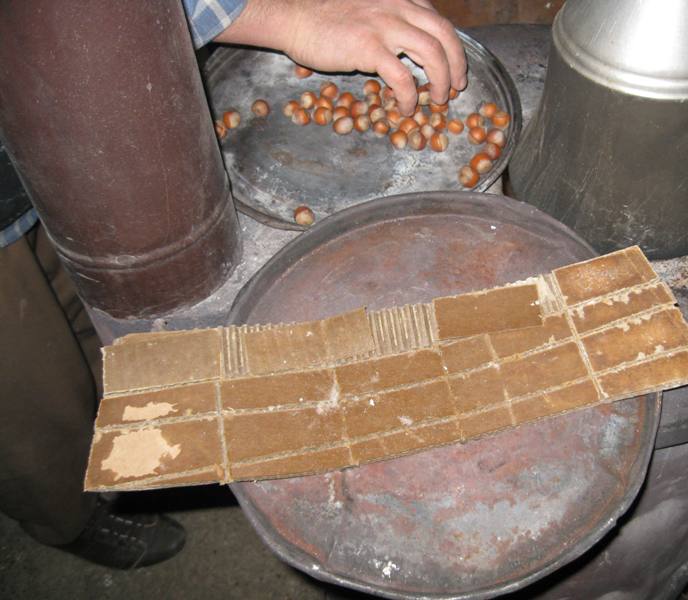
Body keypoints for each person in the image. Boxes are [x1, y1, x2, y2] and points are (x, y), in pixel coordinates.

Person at [0, 0, 464, 569]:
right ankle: (67, 519)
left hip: (49, 144)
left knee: (88, 321)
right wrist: (286, 17)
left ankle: (117, 414)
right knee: (28, 408)